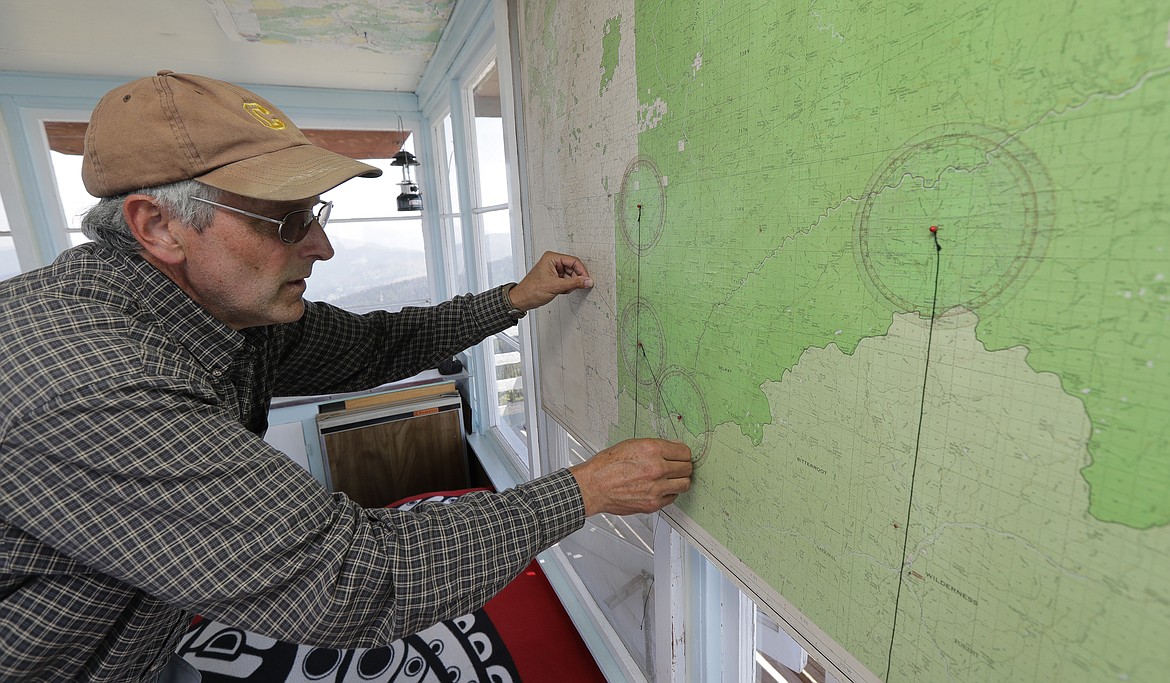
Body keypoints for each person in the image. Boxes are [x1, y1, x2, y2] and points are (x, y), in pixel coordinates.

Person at [0, 70, 692, 682]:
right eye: (283, 218)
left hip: (142, 632)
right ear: (157, 226)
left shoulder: (214, 310)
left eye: (313, 212)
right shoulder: (86, 382)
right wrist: (588, 488)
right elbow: (351, 579)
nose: (321, 244)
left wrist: (512, 298)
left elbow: (373, 345)